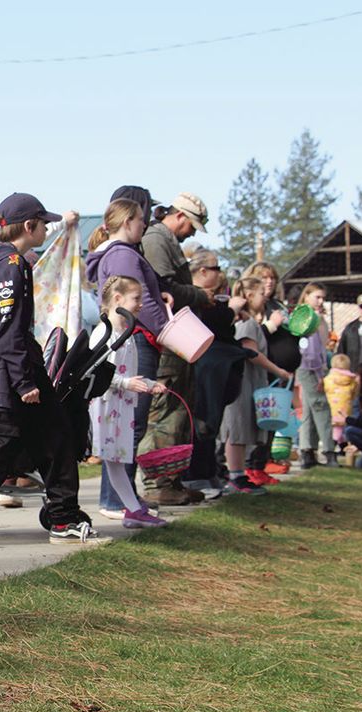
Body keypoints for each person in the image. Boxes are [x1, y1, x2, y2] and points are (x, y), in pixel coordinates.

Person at [0, 193, 102, 547]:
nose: (45, 228)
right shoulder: (10, 265)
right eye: (43, 223)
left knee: (53, 442)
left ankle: (62, 519)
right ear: (29, 226)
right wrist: (24, 381)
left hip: (14, 372)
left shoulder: (6, 262)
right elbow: (7, 330)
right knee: (0, 452)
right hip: (12, 378)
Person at [85, 198, 169, 513]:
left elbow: (143, 297)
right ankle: (115, 499)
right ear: (127, 221)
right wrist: (166, 331)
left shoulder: (119, 254)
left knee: (125, 434)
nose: (144, 225)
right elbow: (140, 301)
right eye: (141, 220)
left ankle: (125, 498)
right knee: (124, 435)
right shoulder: (122, 256)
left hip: (136, 345)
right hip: (138, 343)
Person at [139, 192, 210, 506]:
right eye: (192, 226)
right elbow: (163, 289)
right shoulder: (156, 240)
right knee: (165, 411)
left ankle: (173, 479)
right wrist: (199, 294)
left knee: (180, 411)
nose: (192, 233)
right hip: (167, 341)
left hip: (177, 343)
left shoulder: (167, 240)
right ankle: (158, 482)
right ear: (179, 216)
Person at [90, 276, 168, 528]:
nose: (141, 304)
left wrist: (147, 383)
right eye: (136, 299)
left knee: (119, 460)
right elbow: (96, 369)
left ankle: (133, 509)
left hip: (121, 407)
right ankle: (133, 509)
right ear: (118, 299)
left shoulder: (127, 331)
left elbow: (128, 372)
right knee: (115, 460)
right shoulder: (105, 331)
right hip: (107, 406)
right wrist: (126, 384)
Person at [186, 248, 251, 496]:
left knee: (210, 422)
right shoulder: (194, 296)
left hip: (216, 367)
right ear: (202, 271)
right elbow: (212, 324)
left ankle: (208, 472)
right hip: (203, 366)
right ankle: (196, 475)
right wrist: (231, 310)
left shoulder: (207, 296)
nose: (219, 273)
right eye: (216, 268)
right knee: (200, 420)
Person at [220, 278, 294, 495]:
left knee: (243, 429)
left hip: (249, 381)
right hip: (243, 382)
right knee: (237, 428)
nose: (265, 298)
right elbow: (252, 352)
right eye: (261, 293)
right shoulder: (247, 324)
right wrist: (277, 370)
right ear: (250, 296)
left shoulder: (250, 321)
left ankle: (238, 473)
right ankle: (236, 476)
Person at [240, 261, 299, 480]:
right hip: (261, 372)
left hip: (279, 375)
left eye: (272, 278)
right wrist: (271, 325)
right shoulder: (251, 309)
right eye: (264, 277)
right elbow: (251, 338)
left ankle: (261, 464)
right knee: (256, 420)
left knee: (272, 421)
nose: (269, 282)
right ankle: (249, 465)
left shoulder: (276, 305)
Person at [293, 284, 337, 468]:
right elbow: (310, 351)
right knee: (322, 409)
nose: (321, 301)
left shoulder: (316, 318)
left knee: (309, 411)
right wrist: (320, 375)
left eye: (323, 298)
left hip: (312, 367)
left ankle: (307, 451)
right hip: (310, 369)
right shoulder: (308, 318)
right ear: (307, 296)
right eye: (317, 297)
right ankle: (329, 451)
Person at [324, 353, 359, 447]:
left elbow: (324, 390)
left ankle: (334, 443)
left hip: (330, 406)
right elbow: (355, 393)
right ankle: (341, 443)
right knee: (340, 427)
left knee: (334, 428)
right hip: (345, 408)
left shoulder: (328, 379)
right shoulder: (352, 380)